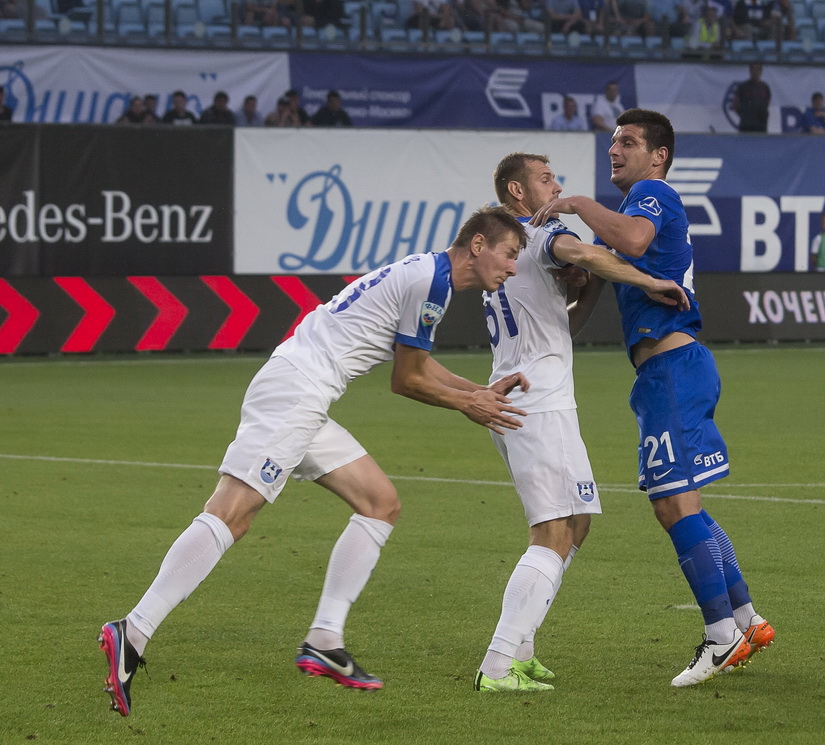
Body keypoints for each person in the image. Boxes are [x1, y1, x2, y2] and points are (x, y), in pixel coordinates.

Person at [98, 207, 530, 717]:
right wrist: (469, 404)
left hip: (302, 391)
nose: (513, 268)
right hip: (296, 392)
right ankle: (134, 629)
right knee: (232, 513)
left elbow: (418, 362)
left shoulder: (427, 274)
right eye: (509, 254)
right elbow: (407, 380)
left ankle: (325, 639)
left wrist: (475, 391)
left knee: (380, 503)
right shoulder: (430, 282)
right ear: (478, 245)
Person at [529, 108, 774, 688]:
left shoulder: (652, 194)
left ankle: (720, 636)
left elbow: (634, 237)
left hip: (671, 368)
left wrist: (579, 204)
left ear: (657, 155)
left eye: (629, 142)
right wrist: (584, 284)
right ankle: (745, 618)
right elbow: (583, 311)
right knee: (683, 501)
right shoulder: (631, 211)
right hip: (668, 369)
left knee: (670, 504)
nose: (616, 149)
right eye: (613, 142)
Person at [474, 153, 691, 692]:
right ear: (517, 193)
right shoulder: (533, 236)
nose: (557, 186)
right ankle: (498, 665)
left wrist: (588, 279)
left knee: (577, 523)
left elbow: (565, 317)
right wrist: (647, 282)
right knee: (550, 532)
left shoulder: (508, 256)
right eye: (546, 179)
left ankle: (521, 647)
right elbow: (583, 250)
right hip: (537, 401)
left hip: (525, 395)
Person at [731, 61, 770, 133]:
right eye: (753, 69)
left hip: (761, 125)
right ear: (750, 71)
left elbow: (767, 103)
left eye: (757, 69)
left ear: (761, 71)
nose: (755, 72)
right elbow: (735, 105)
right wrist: (744, 115)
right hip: (746, 125)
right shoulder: (743, 87)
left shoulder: (765, 87)